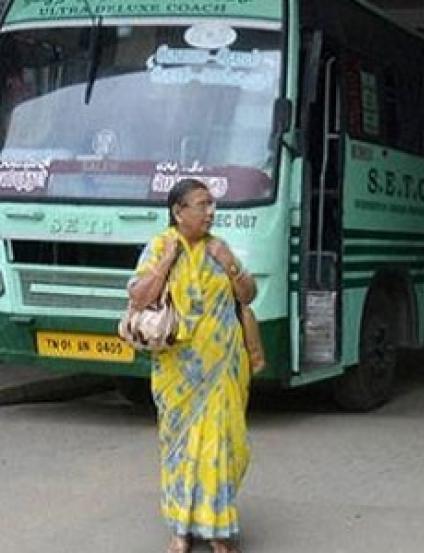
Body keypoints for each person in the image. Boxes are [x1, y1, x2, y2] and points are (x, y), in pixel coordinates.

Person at [127, 179, 257, 553]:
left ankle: (218, 529)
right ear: (178, 212)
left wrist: (230, 265)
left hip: (224, 367)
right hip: (178, 373)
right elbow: (138, 296)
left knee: (225, 447)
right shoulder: (160, 246)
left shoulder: (219, 249)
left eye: (212, 204)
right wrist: (167, 263)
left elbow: (248, 295)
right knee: (181, 450)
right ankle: (181, 530)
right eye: (202, 204)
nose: (210, 212)